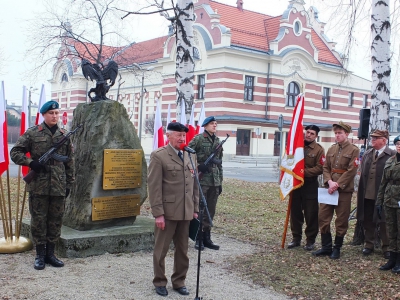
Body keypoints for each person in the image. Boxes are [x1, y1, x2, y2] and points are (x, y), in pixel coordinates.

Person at [10, 100, 75, 270]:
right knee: (39, 220)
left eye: (56, 113)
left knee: (55, 221)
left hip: (59, 186)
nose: (55, 116)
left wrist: (69, 183)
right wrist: (31, 163)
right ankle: (39, 255)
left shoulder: (64, 135)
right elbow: (15, 152)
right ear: (44, 115)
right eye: (51, 113)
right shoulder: (33, 133)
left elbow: (69, 161)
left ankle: (50, 254)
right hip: (38, 185)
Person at [148, 122, 199, 297]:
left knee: (183, 250)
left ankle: (179, 281)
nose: (182, 138)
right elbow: (154, 187)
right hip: (167, 212)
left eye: (184, 135)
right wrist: (158, 214)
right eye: (178, 135)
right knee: (161, 250)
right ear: (168, 136)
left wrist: (195, 209)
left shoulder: (190, 156)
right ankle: (160, 281)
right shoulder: (159, 156)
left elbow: (194, 186)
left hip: (186, 211)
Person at [312, 121, 360, 259]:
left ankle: (337, 248)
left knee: (341, 219)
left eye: (340, 133)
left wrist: (337, 184)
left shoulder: (353, 150)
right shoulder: (331, 149)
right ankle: (326, 247)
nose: (337, 135)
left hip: (344, 191)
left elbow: (352, 170)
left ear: (347, 134)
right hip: (329, 188)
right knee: (323, 217)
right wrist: (329, 181)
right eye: (336, 133)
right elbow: (325, 167)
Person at [356, 129, 395, 258]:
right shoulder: (367, 154)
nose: (372, 139)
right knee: (367, 220)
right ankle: (369, 244)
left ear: (384, 140)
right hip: (367, 194)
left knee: (384, 221)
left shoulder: (393, 155)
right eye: (372, 137)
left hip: (384, 195)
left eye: (376, 138)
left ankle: (387, 247)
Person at [188, 116, 223, 251]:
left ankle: (207, 238)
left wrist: (220, 182)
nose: (215, 125)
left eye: (216, 123)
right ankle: (198, 238)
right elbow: (187, 154)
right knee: (201, 209)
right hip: (202, 181)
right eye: (212, 124)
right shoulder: (198, 139)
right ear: (205, 125)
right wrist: (198, 165)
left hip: (214, 181)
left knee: (211, 211)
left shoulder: (218, 141)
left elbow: (220, 164)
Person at [288, 125, 325, 251]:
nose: (308, 135)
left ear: (316, 136)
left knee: (311, 214)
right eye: (307, 132)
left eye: (312, 134)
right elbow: (289, 161)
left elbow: (320, 168)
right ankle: (296, 238)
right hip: (296, 185)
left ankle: (310, 240)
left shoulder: (319, 150)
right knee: (295, 213)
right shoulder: (296, 146)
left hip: (310, 185)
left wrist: (303, 173)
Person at [376, 135, 400, 273]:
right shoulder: (390, 160)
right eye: (397, 144)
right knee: (391, 230)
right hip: (389, 200)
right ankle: (392, 259)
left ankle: (399, 261)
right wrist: (379, 202)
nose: (399, 146)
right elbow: (383, 183)